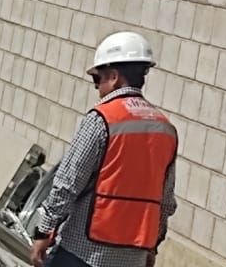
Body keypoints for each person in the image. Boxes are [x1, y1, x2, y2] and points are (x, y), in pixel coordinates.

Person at [29, 32, 178, 267]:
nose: (97, 87)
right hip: (133, 257)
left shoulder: (102, 119)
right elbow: (166, 201)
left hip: (85, 251)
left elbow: (68, 182)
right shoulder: (166, 129)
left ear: (114, 77)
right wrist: (152, 247)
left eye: (97, 79)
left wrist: (44, 231)